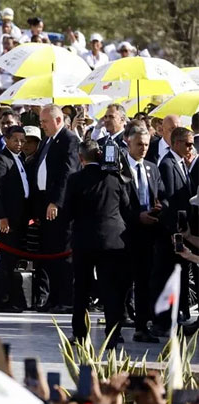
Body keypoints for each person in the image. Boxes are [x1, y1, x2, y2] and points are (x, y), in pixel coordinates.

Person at [64, 140, 131, 348]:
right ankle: (113, 334)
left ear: (81, 158)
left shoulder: (75, 179)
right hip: (112, 241)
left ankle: (80, 333)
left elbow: (68, 212)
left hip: (84, 240)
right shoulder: (114, 178)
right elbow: (127, 206)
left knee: (81, 289)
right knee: (111, 289)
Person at [31, 104, 80, 313]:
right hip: (44, 203)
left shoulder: (69, 140)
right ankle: (52, 297)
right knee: (49, 253)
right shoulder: (46, 141)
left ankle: (66, 299)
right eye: (41, 122)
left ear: (58, 120)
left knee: (62, 254)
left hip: (60, 207)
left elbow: (67, 173)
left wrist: (56, 202)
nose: (42, 126)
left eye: (45, 122)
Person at [121, 122, 166, 343]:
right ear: (128, 142)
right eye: (139, 144)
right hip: (125, 234)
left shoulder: (152, 167)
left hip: (148, 235)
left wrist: (159, 208)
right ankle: (116, 325)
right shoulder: (120, 169)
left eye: (147, 144)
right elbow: (117, 203)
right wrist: (136, 216)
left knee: (144, 281)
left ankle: (142, 326)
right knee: (122, 282)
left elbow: (162, 194)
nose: (143, 148)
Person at [153, 127, 195, 336]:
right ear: (175, 142)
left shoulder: (181, 163)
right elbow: (168, 199)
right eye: (187, 143)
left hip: (181, 230)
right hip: (170, 233)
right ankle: (163, 321)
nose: (191, 147)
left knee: (177, 276)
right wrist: (173, 232)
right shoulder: (168, 164)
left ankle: (174, 315)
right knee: (166, 276)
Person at [0, 126, 30, 313]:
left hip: (20, 219)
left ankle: (13, 298)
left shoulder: (20, 159)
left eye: (22, 141)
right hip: (7, 220)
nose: (19, 144)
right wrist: (1, 217)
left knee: (13, 260)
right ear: (6, 139)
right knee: (7, 260)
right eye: (15, 140)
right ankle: (3, 299)